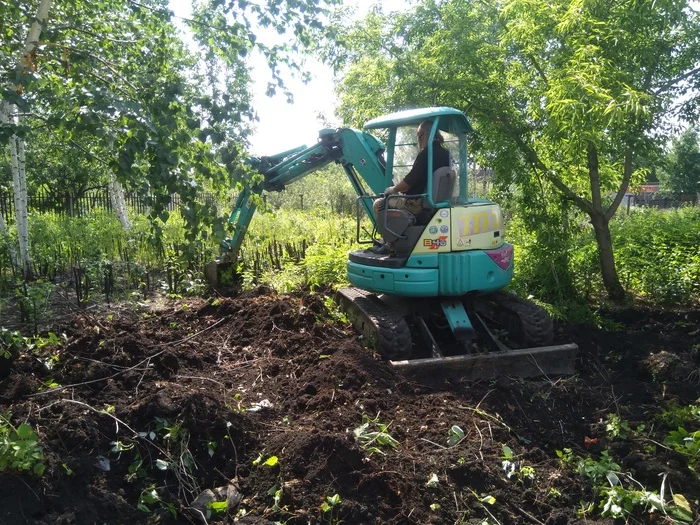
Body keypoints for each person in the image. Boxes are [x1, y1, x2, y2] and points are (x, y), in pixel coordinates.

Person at [372, 120, 450, 254]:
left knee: (379, 203)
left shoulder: (427, 153)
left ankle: (388, 243)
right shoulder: (445, 154)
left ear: (423, 135)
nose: (418, 141)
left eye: (418, 137)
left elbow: (408, 182)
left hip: (416, 203)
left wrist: (393, 189)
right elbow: (422, 179)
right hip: (434, 201)